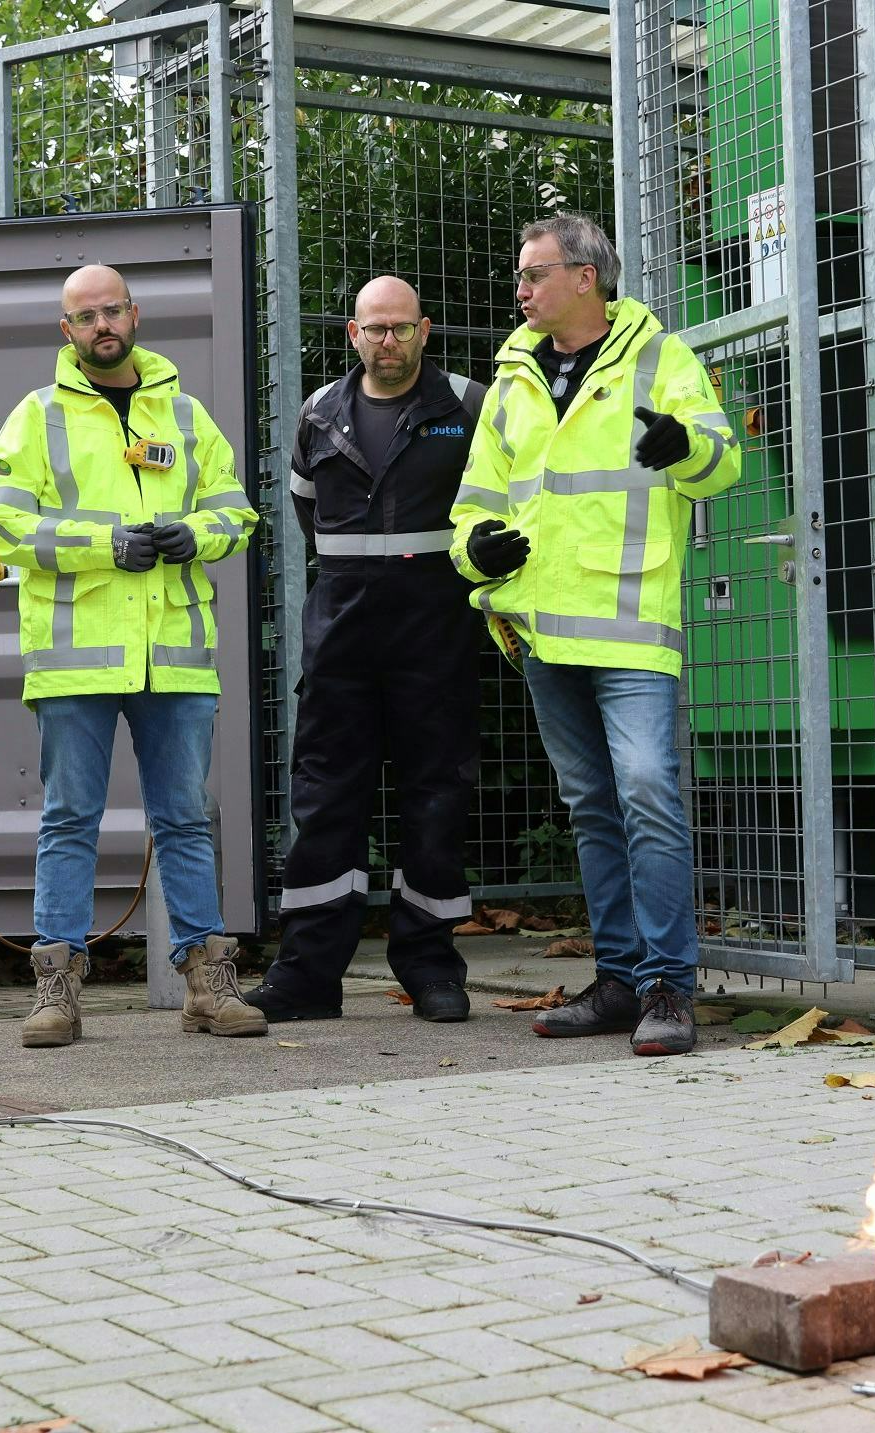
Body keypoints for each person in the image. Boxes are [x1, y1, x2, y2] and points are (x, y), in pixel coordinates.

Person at [448, 213, 741, 1057]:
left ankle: (666, 988)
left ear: (587, 277)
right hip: (540, 627)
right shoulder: (511, 378)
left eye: (535, 274)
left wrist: (684, 444)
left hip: (630, 624)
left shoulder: (661, 358)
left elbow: (725, 464)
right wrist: (475, 550)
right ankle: (619, 980)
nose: (521, 289)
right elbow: (475, 503)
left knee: (646, 791)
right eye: (521, 275)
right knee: (591, 807)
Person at [0, 265, 264, 1045]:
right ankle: (56, 992)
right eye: (85, 315)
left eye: (112, 310)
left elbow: (237, 511)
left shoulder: (185, 412)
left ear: (135, 315)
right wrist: (104, 546)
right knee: (70, 819)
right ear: (64, 330)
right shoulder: (36, 418)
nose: (102, 324)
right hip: (76, 657)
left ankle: (207, 984)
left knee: (184, 818)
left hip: (173, 654)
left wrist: (193, 534)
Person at [244, 277, 486, 1024]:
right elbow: (307, 516)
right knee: (325, 805)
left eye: (403, 328)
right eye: (376, 329)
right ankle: (310, 975)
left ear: (426, 329)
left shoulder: (470, 408)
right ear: (353, 333)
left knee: (436, 801)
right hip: (342, 636)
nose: (389, 341)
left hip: (436, 633)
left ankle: (431, 966)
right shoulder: (319, 413)